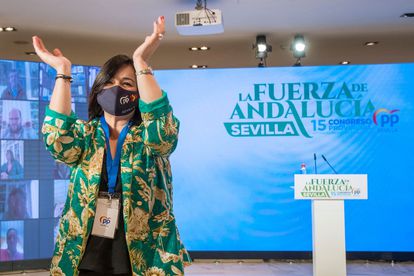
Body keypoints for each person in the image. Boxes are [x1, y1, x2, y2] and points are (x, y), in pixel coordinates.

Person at [34, 16, 191, 275]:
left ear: (139, 95)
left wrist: (141, 63)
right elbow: (56, 139)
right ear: (98, 90)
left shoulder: (149, 138)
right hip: (83, 253)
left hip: (146, 256)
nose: (116, 89)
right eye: (109, 82)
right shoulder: (86, 135)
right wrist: (62, 71)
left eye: (127, 84)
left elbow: (165, 134)